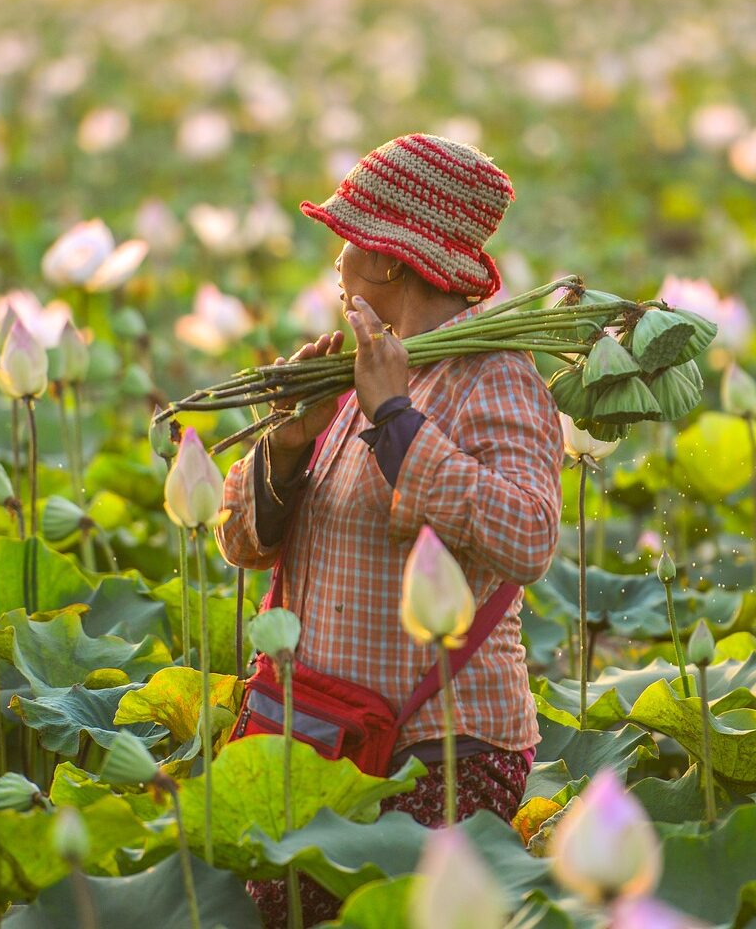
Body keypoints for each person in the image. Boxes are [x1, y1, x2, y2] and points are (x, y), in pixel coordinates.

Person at [216, 133, 562, 926]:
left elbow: (530, 536)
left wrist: (397, 421)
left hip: (442, 747)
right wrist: (291, 439)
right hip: (325, 732)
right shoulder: (356, 369)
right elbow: (239, 542)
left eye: (346, 243)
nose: (335, 266)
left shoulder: (496, 378)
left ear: (389, 262)